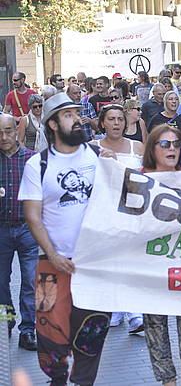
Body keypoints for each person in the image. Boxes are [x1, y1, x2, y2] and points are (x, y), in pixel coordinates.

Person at [18, 92, 111, 385]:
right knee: (49, 330)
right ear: (53, 124)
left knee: (91, 331)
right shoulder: (37, 165)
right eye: (69, 115)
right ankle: (57, 380)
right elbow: (33, 217)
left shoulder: (98, 157)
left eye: (76, 113)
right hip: (51, 263)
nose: (77, 119)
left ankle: (83, 382)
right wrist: (53, 254)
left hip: (95, 264)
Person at [140, 124, 181, 386]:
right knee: (155, 327)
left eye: (177, 144)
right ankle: (167, 380)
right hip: (150, 266)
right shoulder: (139, 178)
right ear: (153, 148)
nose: (172, 149)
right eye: (165, 144)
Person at [89, 104, 145, 334]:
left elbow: (148, 177)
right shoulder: (91, 147)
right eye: (111, 119)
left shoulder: (138, 147)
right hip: (103, 212)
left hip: (132, 212)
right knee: (110, 262)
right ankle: (115, 308)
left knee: (131, 261)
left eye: (120, 119)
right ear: (102, 123)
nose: (116, 123)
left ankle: (135, 313)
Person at [0, 113, 38, 350]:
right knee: (1, 282)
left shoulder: (32, 160)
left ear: (16, 131)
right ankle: (6, 322)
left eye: (7, 131)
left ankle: (28, 330)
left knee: (31, 281)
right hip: (1, 230)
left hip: (27, 229)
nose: (3, 137)